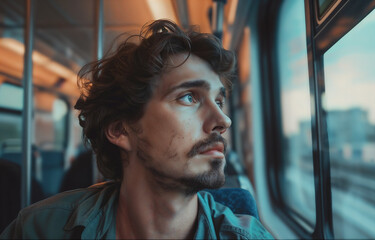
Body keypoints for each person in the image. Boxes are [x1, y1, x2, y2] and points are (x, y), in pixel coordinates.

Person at [0, 20, 273, 239]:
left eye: (219, 101)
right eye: (188, 97)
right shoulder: (40, 229)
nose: (223, 120)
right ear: (120, 130)